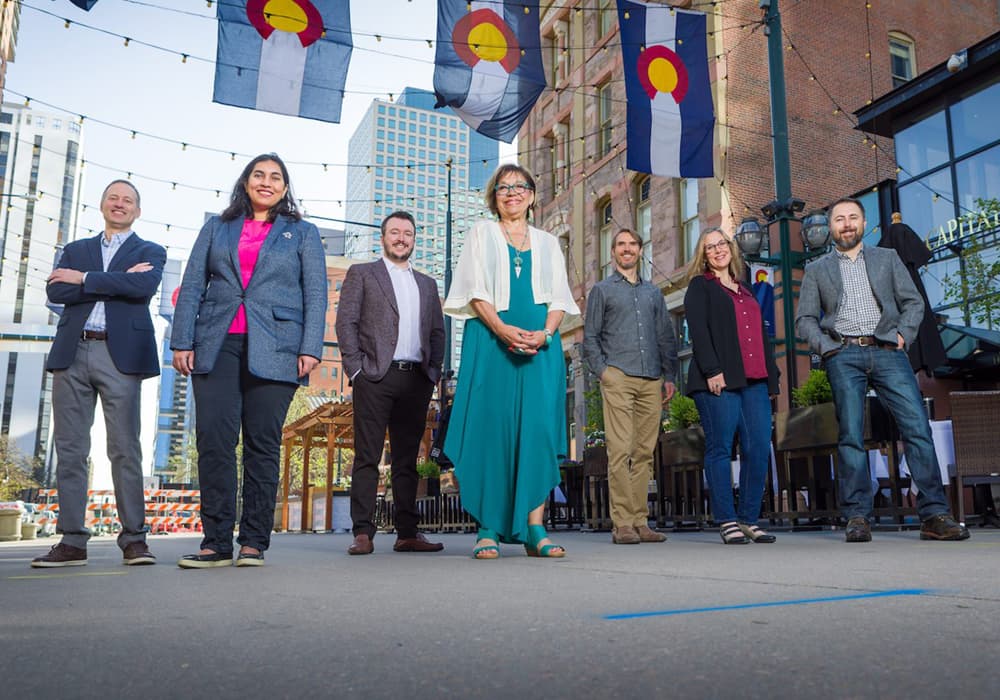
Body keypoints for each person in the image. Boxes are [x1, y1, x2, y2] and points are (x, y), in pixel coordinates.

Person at [171, 154, 327, 568]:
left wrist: (311, 347)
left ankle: (254, 541)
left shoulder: (303, 233)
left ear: (284, 188)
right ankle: (216, 542)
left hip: (277, 347)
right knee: (215, 442)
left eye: (276, 177)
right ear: (245, 181)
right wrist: (181, 340)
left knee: (262, 444)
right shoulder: (217, 228)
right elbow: (191, 285)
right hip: (216, 343)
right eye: (259, 174)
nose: (267, 182)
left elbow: (316, 293)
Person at [796, 197, 969, 543]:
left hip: (889, 351)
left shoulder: (887, 258)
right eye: (839, 219)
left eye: (853, 218)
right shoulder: (817, 269)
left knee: (917, 428)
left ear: (864, 224)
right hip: (843, 353)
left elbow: (913, 302)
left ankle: (934, 513)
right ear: (831, 227)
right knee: (851, 435)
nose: (846, 224)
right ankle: (857, 516)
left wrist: (904, 334)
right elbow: (805, 320)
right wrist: (827, 348)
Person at [444, 164, 579, 560]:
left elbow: (559, 299)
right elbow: (472, 289)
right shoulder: (481, 234)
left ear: (532, 195)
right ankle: (487, 527)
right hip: (490, 343)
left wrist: (547, 333)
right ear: (494, 197)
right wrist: (501, 329)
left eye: (520, 186)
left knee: (537, 431)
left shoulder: (548, 242)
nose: (512, 193)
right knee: (492, 428)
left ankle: (536, 527)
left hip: (541, 348)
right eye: (503, 188)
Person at [32, 180, 165, 568]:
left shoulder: (150, 251)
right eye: (113, 198)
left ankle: (135, 540)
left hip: (119, 354)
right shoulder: (75, 249)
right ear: (102, 205)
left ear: (137, 211)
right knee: (70, 450)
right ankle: (72, 540)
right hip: (72, 352)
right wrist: (113, 282)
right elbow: (56, 292)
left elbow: (143, 286)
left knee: (125, 448)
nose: (120, 204)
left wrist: (83, 279)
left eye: (128, 200)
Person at [336, 210, 446, 555]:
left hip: (416, 379)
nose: (401, 238)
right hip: (374, 376)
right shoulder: (363, 274)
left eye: (408, 233)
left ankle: (407, 532)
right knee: (367, 456)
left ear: (414, 240)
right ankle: (363, 533)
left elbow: (437, 332)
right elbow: (346, 323)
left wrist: (434, 372)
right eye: (395, 232)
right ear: (383, 237)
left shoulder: (427, 284)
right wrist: (356, 369)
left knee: (406, 459)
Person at [684, 228, 780, 544]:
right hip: (719, 380)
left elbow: (761, 335)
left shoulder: (746, 289)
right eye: (709, 247)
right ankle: (726, 519)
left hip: (754, 380)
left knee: (757, 448)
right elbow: (698, 331)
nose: (717, 250)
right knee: (721, 447)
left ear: (730, 248)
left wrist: (772, 378)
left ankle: (749, 518)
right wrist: (712, 370)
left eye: (721, 243)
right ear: (704, 255)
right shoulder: (700, 286)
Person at [583, 229, 678, 545]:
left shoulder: (653, 293)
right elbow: (591, 338)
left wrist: (670, 376)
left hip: (652, 378)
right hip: (619, 376)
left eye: (632, 244)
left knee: (643, 453)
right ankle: (622, 523)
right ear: (614, 252)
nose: (627, 249)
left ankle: (641, 521)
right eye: (621, 244)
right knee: (620, 449)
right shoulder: (602, 290)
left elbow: (665, 335)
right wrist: (604, 372)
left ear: (640, 249)